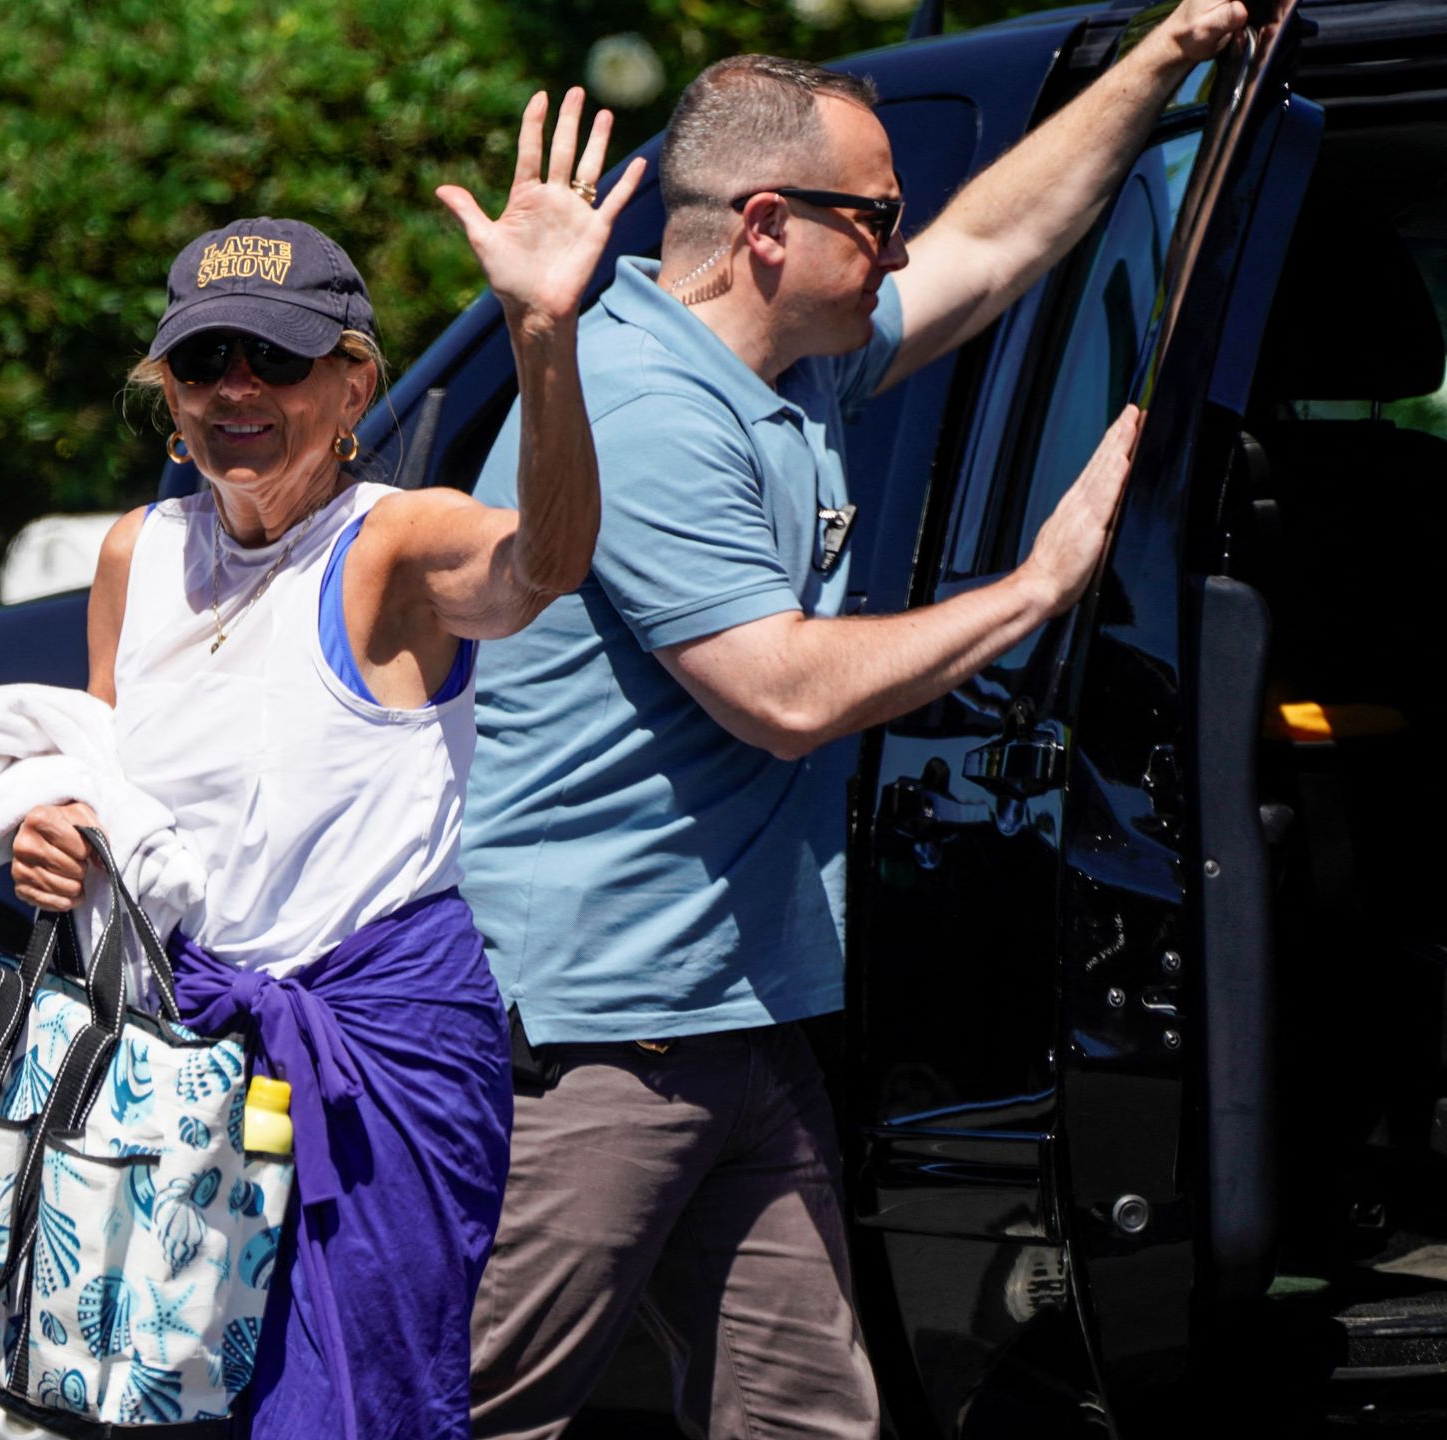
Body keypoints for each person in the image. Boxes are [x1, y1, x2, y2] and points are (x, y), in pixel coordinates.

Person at [462, 5, 1250, 1438]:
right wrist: (1039, 586)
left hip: (744, 1024)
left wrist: (1156, 66)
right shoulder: (640, 406)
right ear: (768, 226)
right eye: (875, 219)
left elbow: (994, 247)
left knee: (805, 1415)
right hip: (604, 1047)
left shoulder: (790, 363)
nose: (899, 245)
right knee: (462, 1408)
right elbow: (781, 695)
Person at [7, 91, 644, 1440]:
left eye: (278, 362)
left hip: (371, 1060)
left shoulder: (393, 545)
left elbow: (546, 563)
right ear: (166, 391)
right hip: (179, 1055)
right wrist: (58, 841)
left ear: (355, 382)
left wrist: (544, 336)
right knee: (157, 1402)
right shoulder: (135, 558)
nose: (238, 391)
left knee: (353, 1418)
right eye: (204, 362)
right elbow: (110, 797)